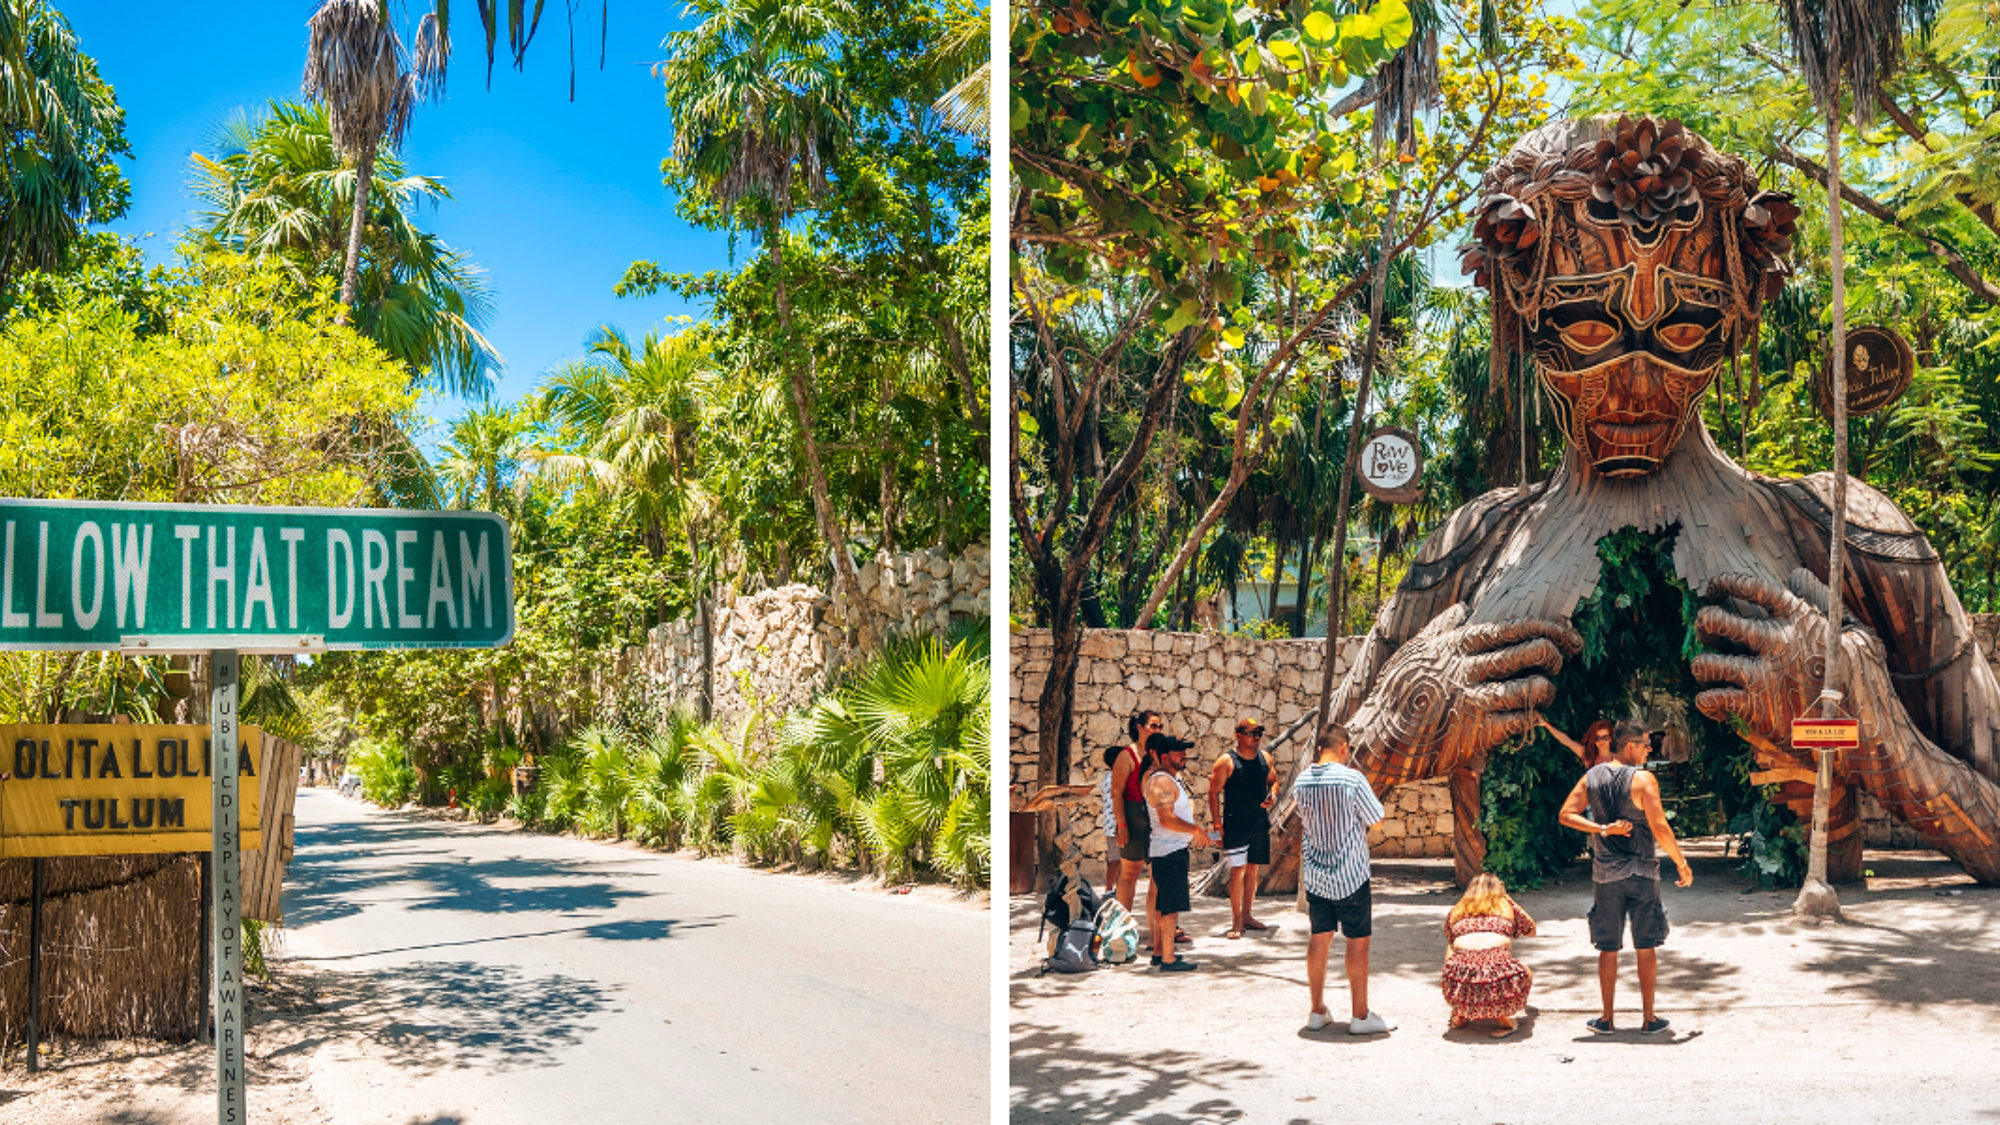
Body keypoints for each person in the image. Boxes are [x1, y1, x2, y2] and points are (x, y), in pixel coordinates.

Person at [1558, 719, 1694, 1035]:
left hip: (1606, 875)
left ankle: (1606, 1019)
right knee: (1646, 946)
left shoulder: (1591, 777)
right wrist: (1682, 863)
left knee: (1608, 947)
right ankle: (1649, 1019)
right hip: (1643, 872)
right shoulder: (1644, 780)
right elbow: (1660, 827)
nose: (1651, 749)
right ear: (1630, 746)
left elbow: (1566, 814)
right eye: (1647, 743)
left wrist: (1602, 829)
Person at [1293, 725, 1394, 1034]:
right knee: (1357, 941)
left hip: (1316, 874)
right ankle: (1360, 1016)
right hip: (1350, 874)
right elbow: (1377, 822)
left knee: (1319, 937)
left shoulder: (1301, 781)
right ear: (1344, 748)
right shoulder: (1352, 779)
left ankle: (1316, 1010)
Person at [1143, 732, 1212, 972]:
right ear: (1164, 756)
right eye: (1178, 751)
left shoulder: (1169, 780)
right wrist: (1196, 831)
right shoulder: (1161, 781)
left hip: (1172, 849)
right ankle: (1169, 959)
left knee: (1164, 904)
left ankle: (1160, 952)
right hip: (1169, 851)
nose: (1184, 755)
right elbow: (1166, 818)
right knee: (1170, 906)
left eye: (1184, 751)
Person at [1441, 873, 1539, 1038]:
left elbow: (1451, 941)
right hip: (1497, 978)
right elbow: (1531, 930)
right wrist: (1510, 899)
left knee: (1457, 953)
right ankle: (1504, 1019)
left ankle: (1460, 1011)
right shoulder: (1506, 907)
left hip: (1461, 978)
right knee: (1523, 971)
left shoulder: (1456, 911)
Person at [1208, 717, 1280, 939]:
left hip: (1258, 822)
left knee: (1252, 870)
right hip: (1235, 824)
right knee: (1237, 871)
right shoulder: (1226, 762)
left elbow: (1273, 780)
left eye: (1259, 733)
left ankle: (1248, 915)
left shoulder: (1265, 758)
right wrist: (1217, 825)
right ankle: (1237, 921)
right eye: (1251, 733)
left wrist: (1273, 796)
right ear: (1238, 735)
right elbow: (1213, 792)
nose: (1256, 737)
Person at [1110, 711, 1162, 913]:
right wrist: (1122, 825)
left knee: (1158, 874)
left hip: (1156, 819)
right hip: (1133, 818)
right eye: (1153, 726)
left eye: (1160, 726)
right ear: (1139, 727)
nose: (1157, 730)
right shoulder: (1127, 755)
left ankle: (1160, 931)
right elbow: (1117, 793)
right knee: (1130, 873)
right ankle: (1123, 925)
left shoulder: (1159, 754)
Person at [1539, 717, 1615, 769]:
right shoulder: (1589, 757)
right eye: (1597, 738)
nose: (1601, 741)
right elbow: (1565, 740)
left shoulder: (1618, 758)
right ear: (1593, 740)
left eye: (1605, 738)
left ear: (1611, 738)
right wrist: (1546, 724)